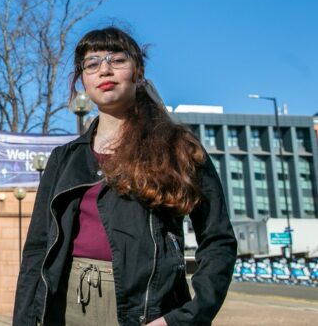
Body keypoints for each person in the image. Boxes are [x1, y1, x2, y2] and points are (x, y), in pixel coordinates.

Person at [13, 26, 237, 326]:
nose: (105, 69)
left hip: (147, 311)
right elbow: (37, 251)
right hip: (64, 308)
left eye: (117, 59)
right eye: (92, 64)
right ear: (82, 80)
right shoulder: (63, 159)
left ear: (139, 71)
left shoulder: (179, 148)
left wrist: (187, 318)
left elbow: (218, 239)